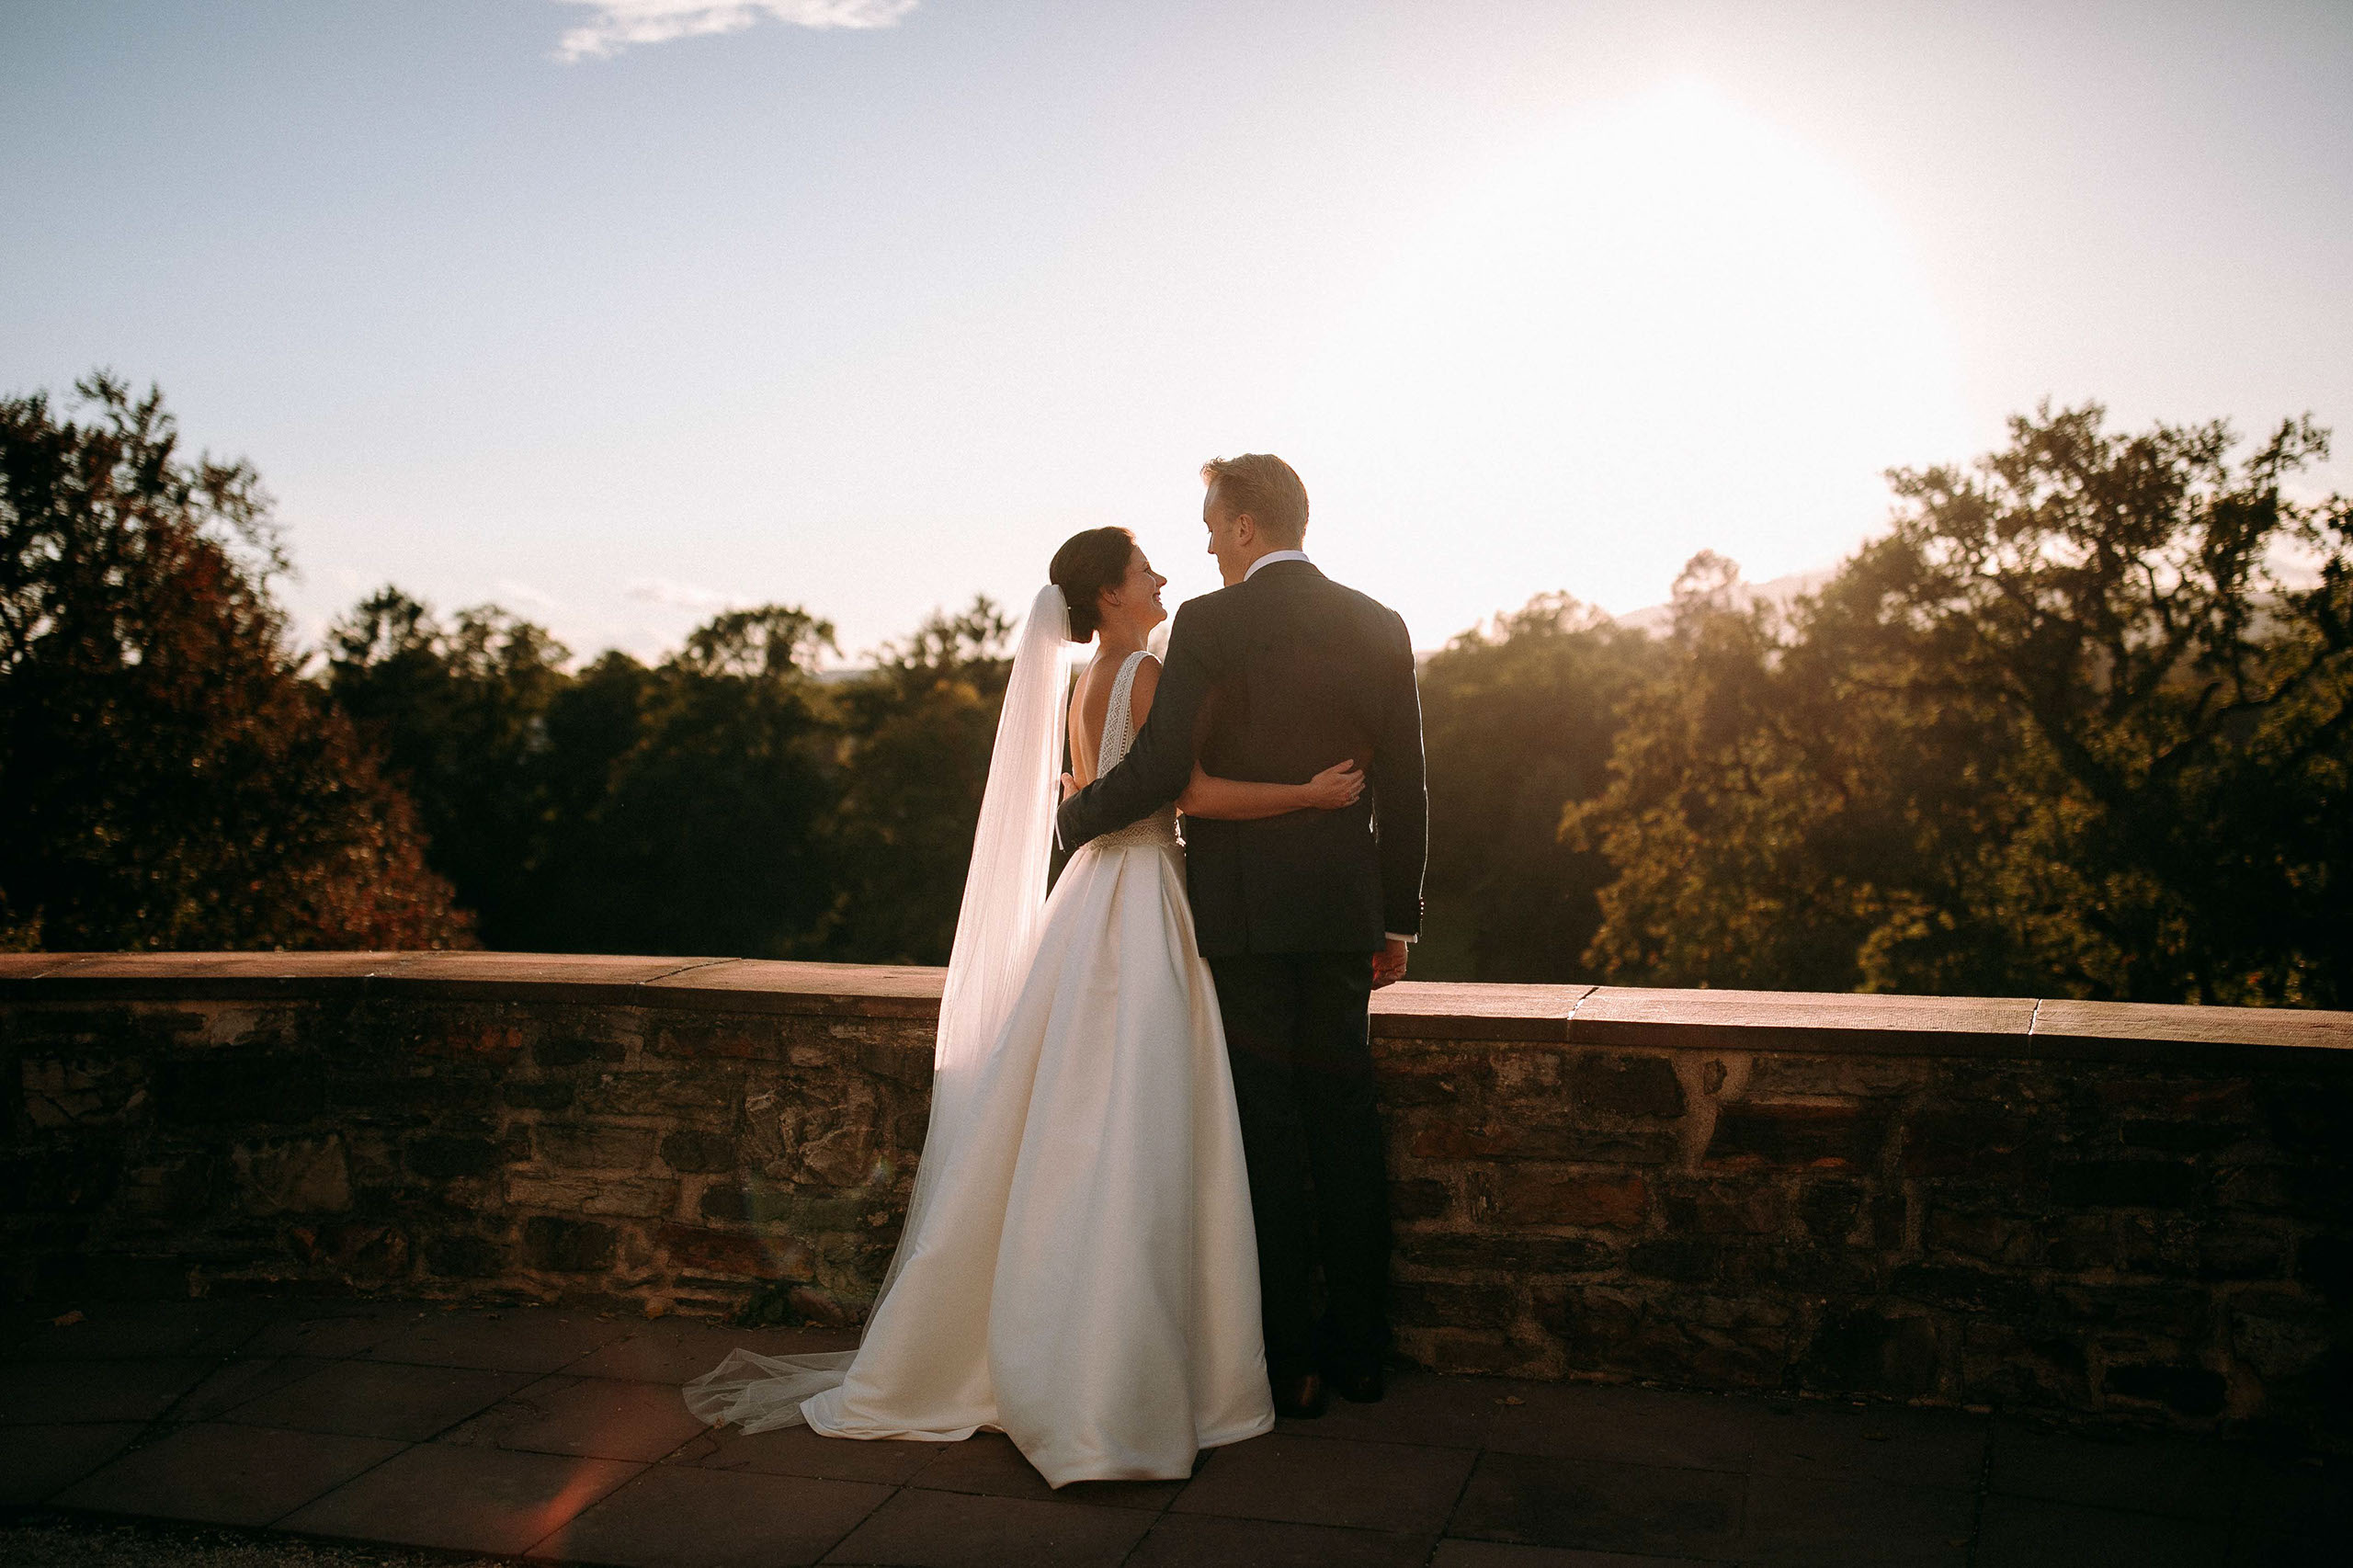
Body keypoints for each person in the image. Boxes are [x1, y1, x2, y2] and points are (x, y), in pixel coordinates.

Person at [683, 526, 1366, 1486]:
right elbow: (1191, 792)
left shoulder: (1088, 679)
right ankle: (1118, 1372)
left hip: (1088, 895)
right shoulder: (1139, 676)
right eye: (1144, 569)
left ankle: (1050, 1339)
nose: (1163, 574)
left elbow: (1102, 789)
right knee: (1138, 1119)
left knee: (1069, 1116)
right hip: (1140, 899)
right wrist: (1307, 792)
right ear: (1113, 595)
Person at [1057, 453, 1427, 1419]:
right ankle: (1361, 1353)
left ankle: (1290, 1362)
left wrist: (1070, 816)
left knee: (1266, 1133)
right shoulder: (1378, 621)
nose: (1208, 544)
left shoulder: (1212, 625)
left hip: (1245, 919)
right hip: (1345, 917)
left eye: (1214, 526)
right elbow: (1409, 791)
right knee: (1345, 1125)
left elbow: (1168, 765)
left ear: (1249, 527)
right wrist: (1396, 919)